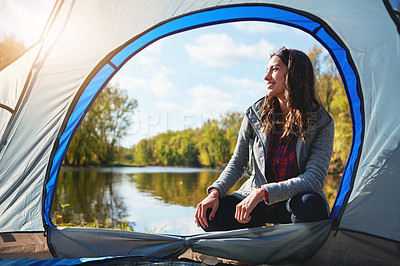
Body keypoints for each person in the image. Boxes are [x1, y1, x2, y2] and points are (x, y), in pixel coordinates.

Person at [195, 48, 334, 232]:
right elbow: (238, 162)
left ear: (293, 74)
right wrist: (215, 192)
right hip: (256, 202)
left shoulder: (322, 122)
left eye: (274, 69)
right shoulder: (255, 114)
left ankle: (290, 248)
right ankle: (258, 239)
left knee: (312, 206)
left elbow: (314, 179)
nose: (266, 77)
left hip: (291, 203)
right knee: (211, 215)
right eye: (267, 70)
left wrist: (264, 192)